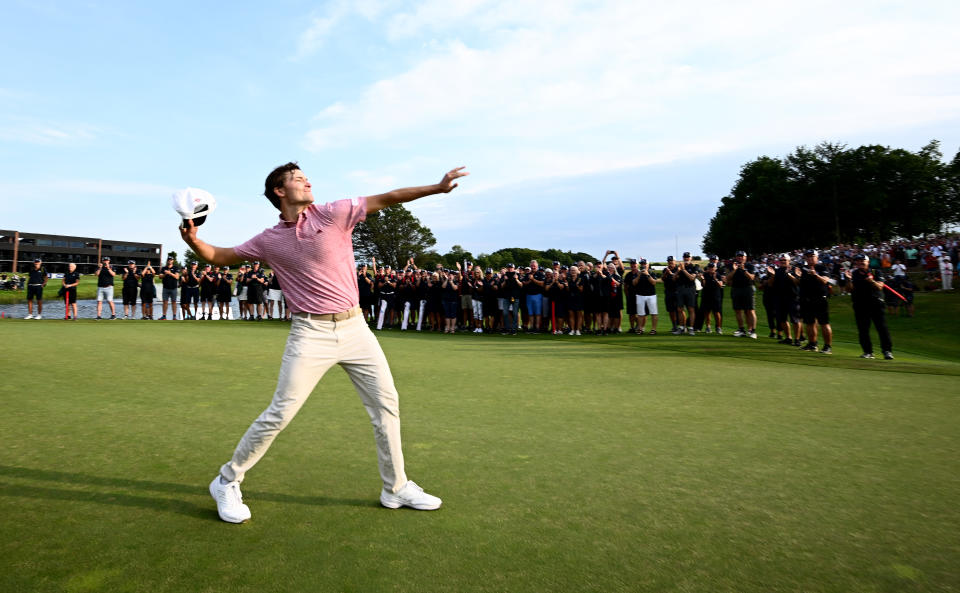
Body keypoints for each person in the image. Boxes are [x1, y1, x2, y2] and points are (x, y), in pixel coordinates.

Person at [180, 162, 466, 523]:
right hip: (310, 333)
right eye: (298, 179)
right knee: (280, 413)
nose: (307, 182)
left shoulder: (335, 213)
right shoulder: (268, 240)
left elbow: (390, 198)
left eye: (306, 177)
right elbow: (222, 257)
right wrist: (193, 241)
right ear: (280, 191)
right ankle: (226, 480)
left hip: (356, 329)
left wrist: (437, 188)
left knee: (386, 408)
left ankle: (395, 488)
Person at [845, 253, 893, 359]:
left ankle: (887, 351)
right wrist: (848, 279)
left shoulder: (876, 272)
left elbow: (880, 286)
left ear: (868, 262)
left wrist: (872, 281)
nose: (860, 262)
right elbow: (849, 289)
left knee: (882, 328)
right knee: (863, 329)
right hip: (860, 304)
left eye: (863, 260)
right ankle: (868, 352)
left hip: (876, 304)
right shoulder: (853, 273)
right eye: (858, 260)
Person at [798, 249, 833, 354]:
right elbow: (799, 283)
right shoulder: (803, 269)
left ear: (817, 257)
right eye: (808, 256)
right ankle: (812, 344)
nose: (810, 258)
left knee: (824, 323)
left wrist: (815, 274)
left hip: (820, 299)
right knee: (809, 323)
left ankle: (827, 347)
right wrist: (796, 277)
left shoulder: (822, 268)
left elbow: (825, 281)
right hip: (807, 300)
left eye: (812, 256)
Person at [725, 250, 758, 339]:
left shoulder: (750, 266)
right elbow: (727, 279)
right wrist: (735, 270)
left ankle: (752, 331)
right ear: (736, 257)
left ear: (745, 258)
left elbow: (752, 277)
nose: (740, 258)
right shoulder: (731, 266)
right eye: (738, 256)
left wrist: (744, 270)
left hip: (748, 288)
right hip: (736, 289)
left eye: (742, 256)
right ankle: (741, 330)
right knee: (738, 310)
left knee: (750, 310)